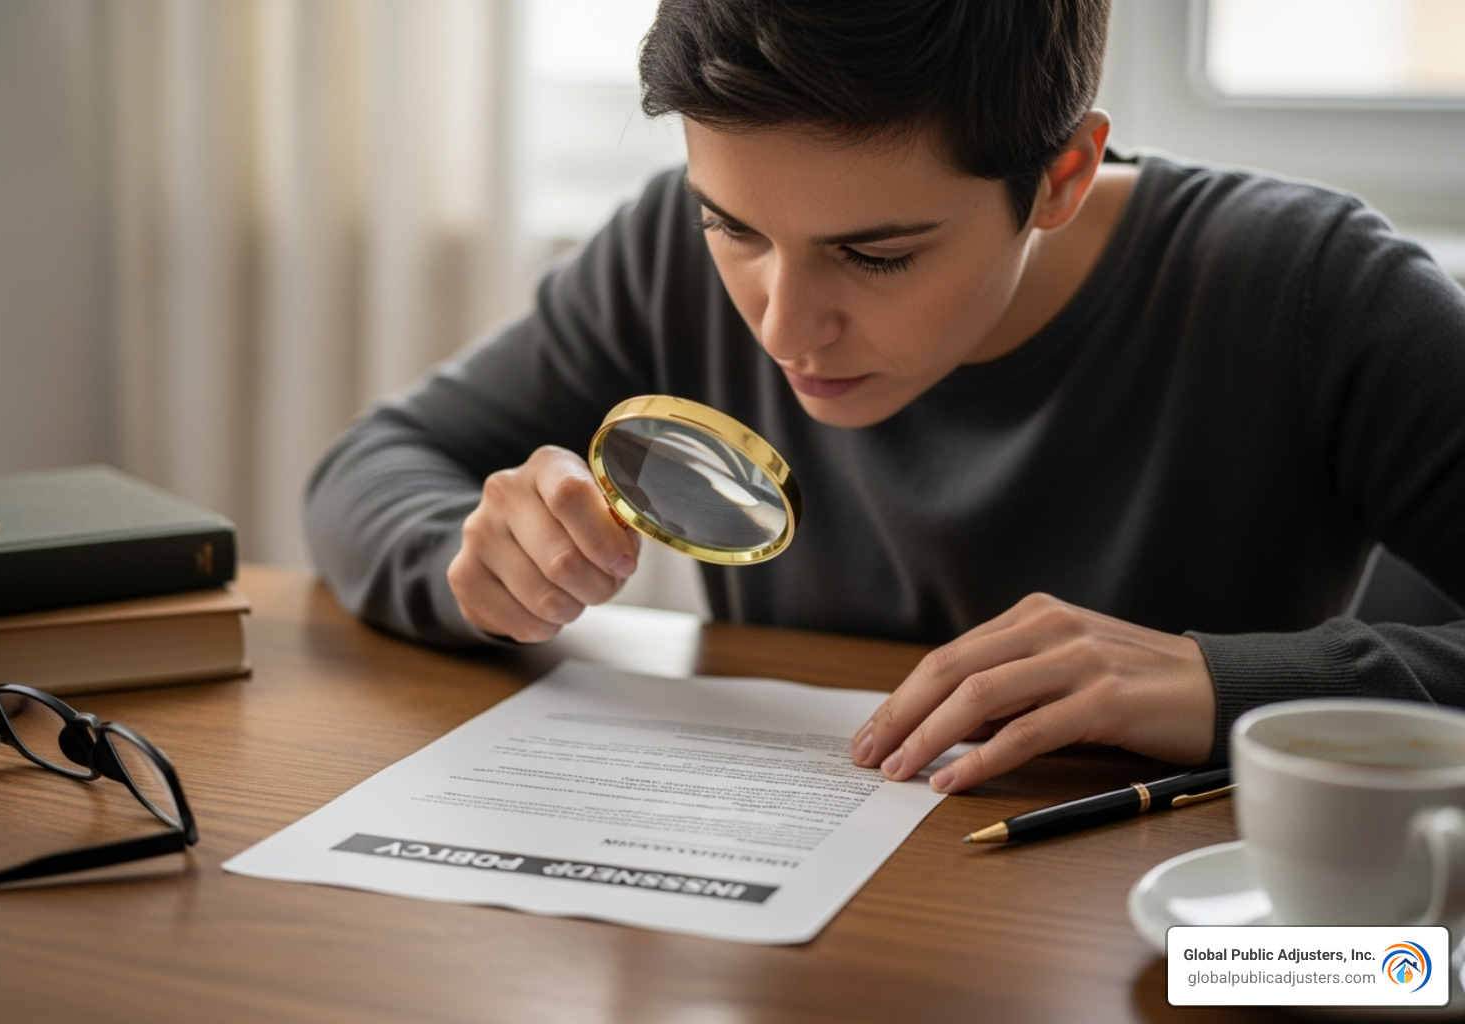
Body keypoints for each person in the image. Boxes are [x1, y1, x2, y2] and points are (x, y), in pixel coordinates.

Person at [304, 0, 1465, 796]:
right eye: (733, 227)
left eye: (877, 255)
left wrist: (1223, 684)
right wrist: (475, 563)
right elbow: (374, 463)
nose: (780, 326)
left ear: (1060, 174)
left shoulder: (1311, 290)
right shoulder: (662, 248)